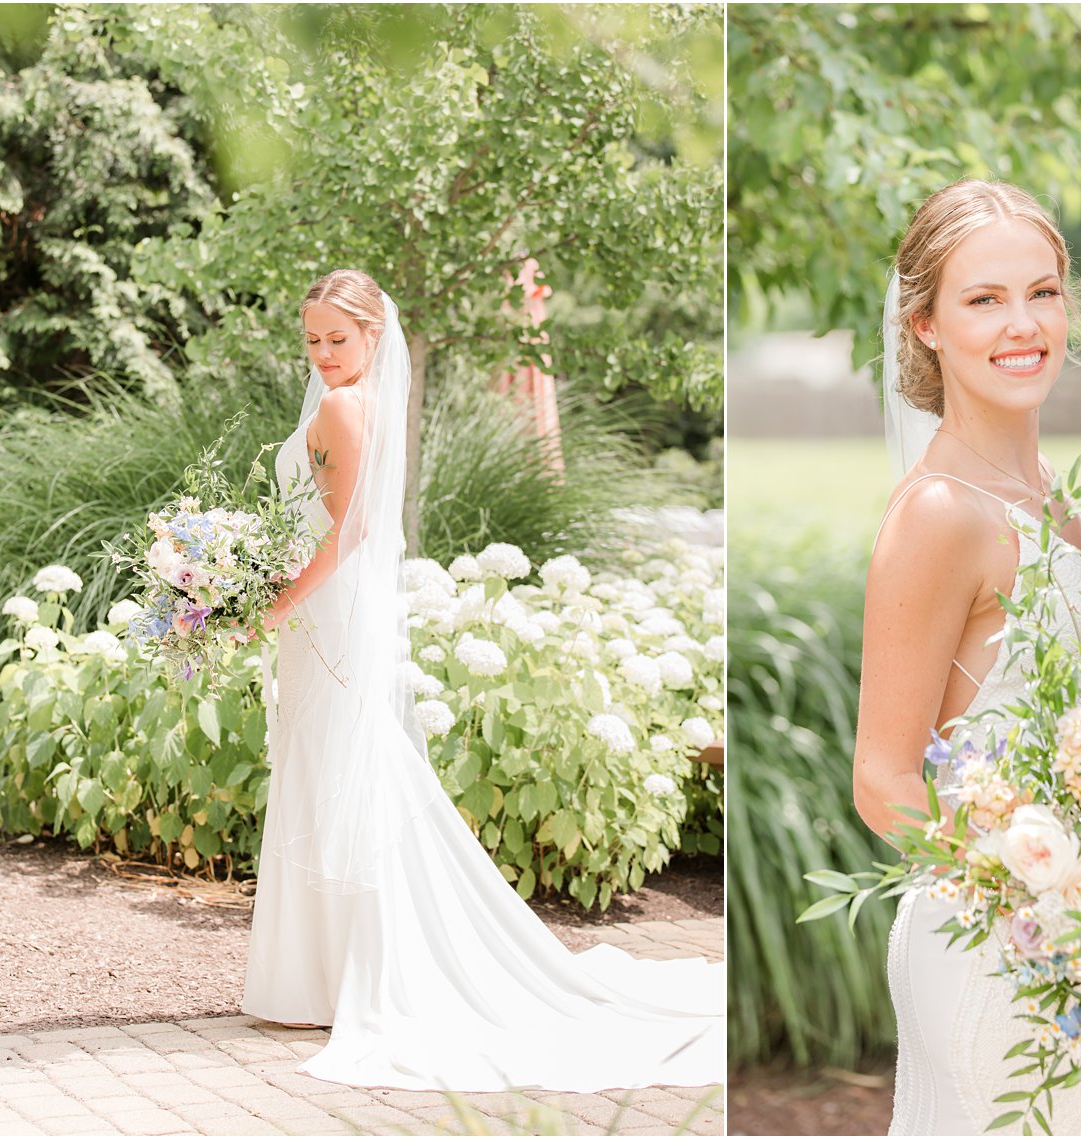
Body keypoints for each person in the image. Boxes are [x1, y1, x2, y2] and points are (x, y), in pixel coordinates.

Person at [240, 269, 723, 1093]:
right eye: (312, 339)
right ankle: (323, 973)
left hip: (325, 612)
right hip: (328, 612)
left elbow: (350, 531)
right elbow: (325, 518)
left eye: (337, 339)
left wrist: (272, 603)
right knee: (333, 769)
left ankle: (348, 969)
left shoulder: (343, 408)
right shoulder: (362, 403)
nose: (323, 354)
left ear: (370, 337)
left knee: (345, 769)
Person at [851, 182, 1081, 1136]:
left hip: (1079, 944)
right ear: (924, 324)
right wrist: (1042, 886)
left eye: (1042, 293)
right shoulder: (940, 513)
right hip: (995, 943)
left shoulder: (1051, 489)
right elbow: (882, 779)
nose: (1023, 323)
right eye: (983, 299)